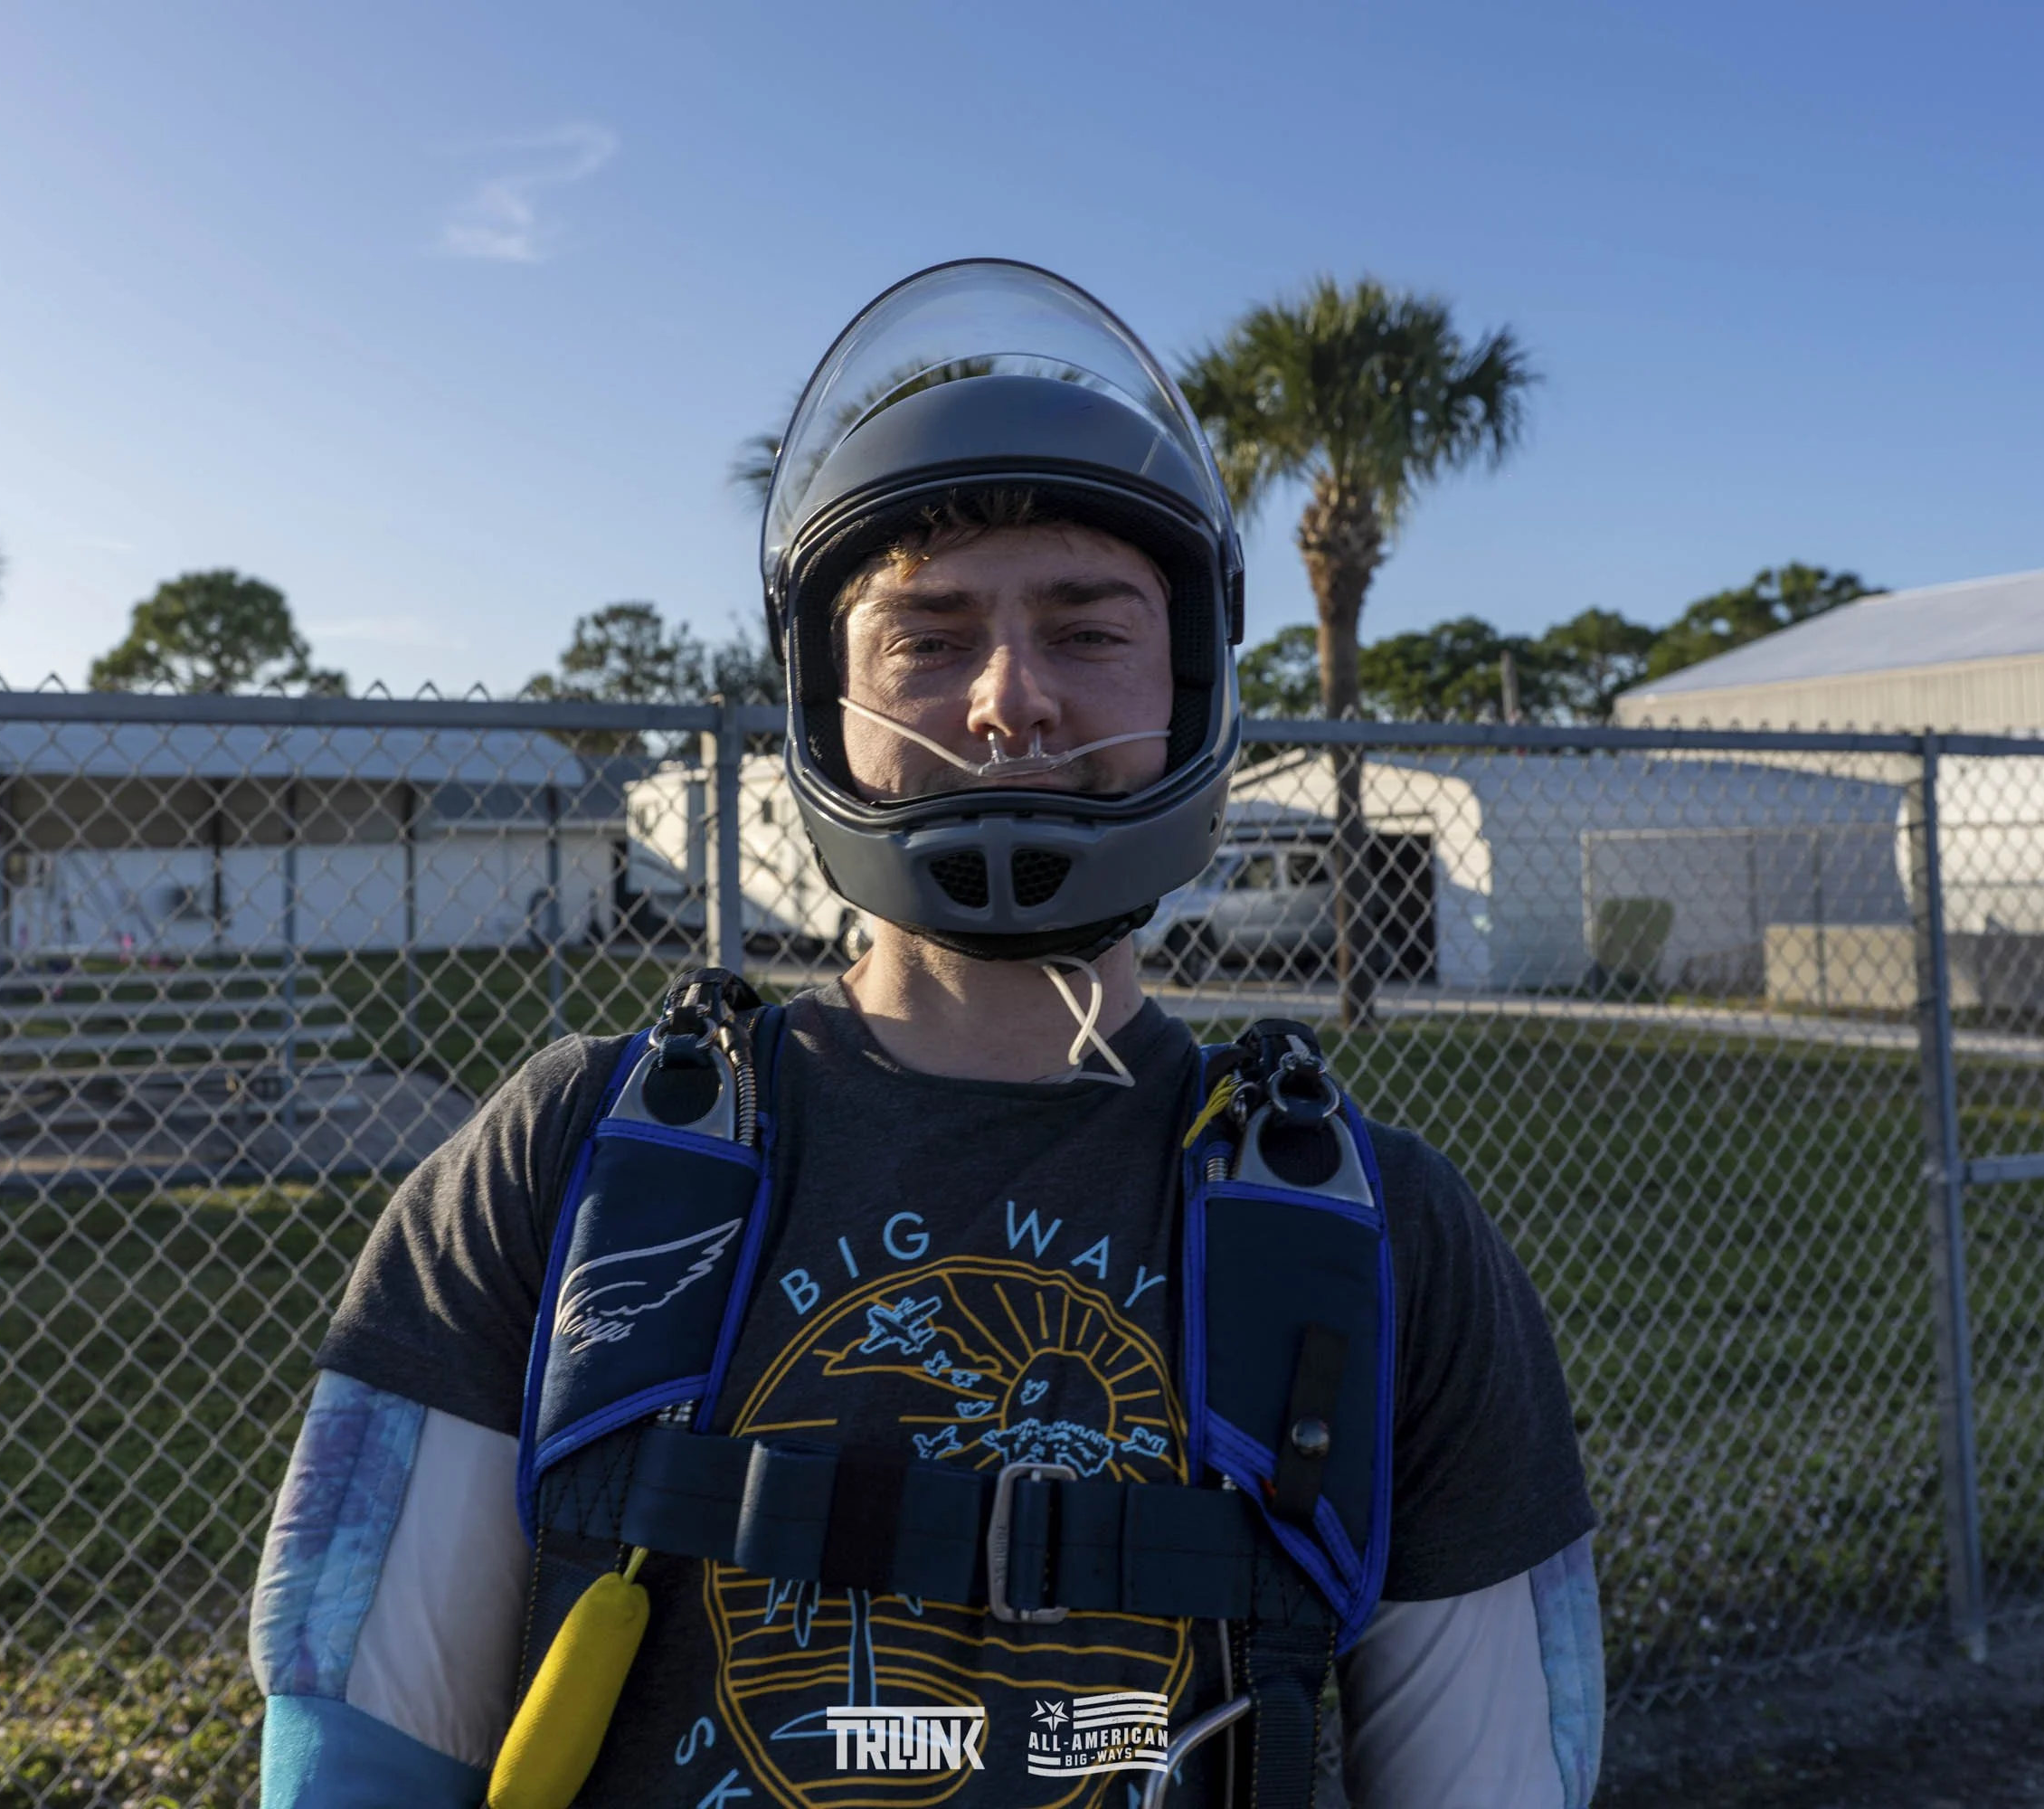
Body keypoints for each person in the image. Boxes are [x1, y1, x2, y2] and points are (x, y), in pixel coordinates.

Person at [249, 260, 1602, 1808]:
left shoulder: (1386, 1238)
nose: (1007, 704)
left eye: (1089, 631)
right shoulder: (571, 1163)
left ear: (1197, 684)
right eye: (928, 636)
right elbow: (358, 1755)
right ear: (826, 702)